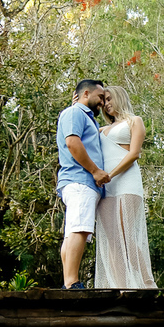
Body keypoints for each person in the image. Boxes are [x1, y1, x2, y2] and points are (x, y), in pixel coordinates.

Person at [95, 85, 157, 289]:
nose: (106, 104)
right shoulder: (100, 130)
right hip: (106, 188)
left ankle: (145, 282)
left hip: (126, 182)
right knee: (112, 239)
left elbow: (134, 154)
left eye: (110, 98)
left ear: (120, 97)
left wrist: (109, 175)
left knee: (126, 234)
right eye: (104, 100)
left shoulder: (134, 121)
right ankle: (119, 285)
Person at [55, 79, 109, 289]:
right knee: (79, 229)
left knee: (74, 232)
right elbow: (72, 142)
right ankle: (71, 282)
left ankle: (69, 281)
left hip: (82, 182)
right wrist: (95, 171)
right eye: (101, 97)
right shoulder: (74, 113)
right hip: (80, 180)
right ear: (86, 94)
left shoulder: (83, 116)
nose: (103, 103)